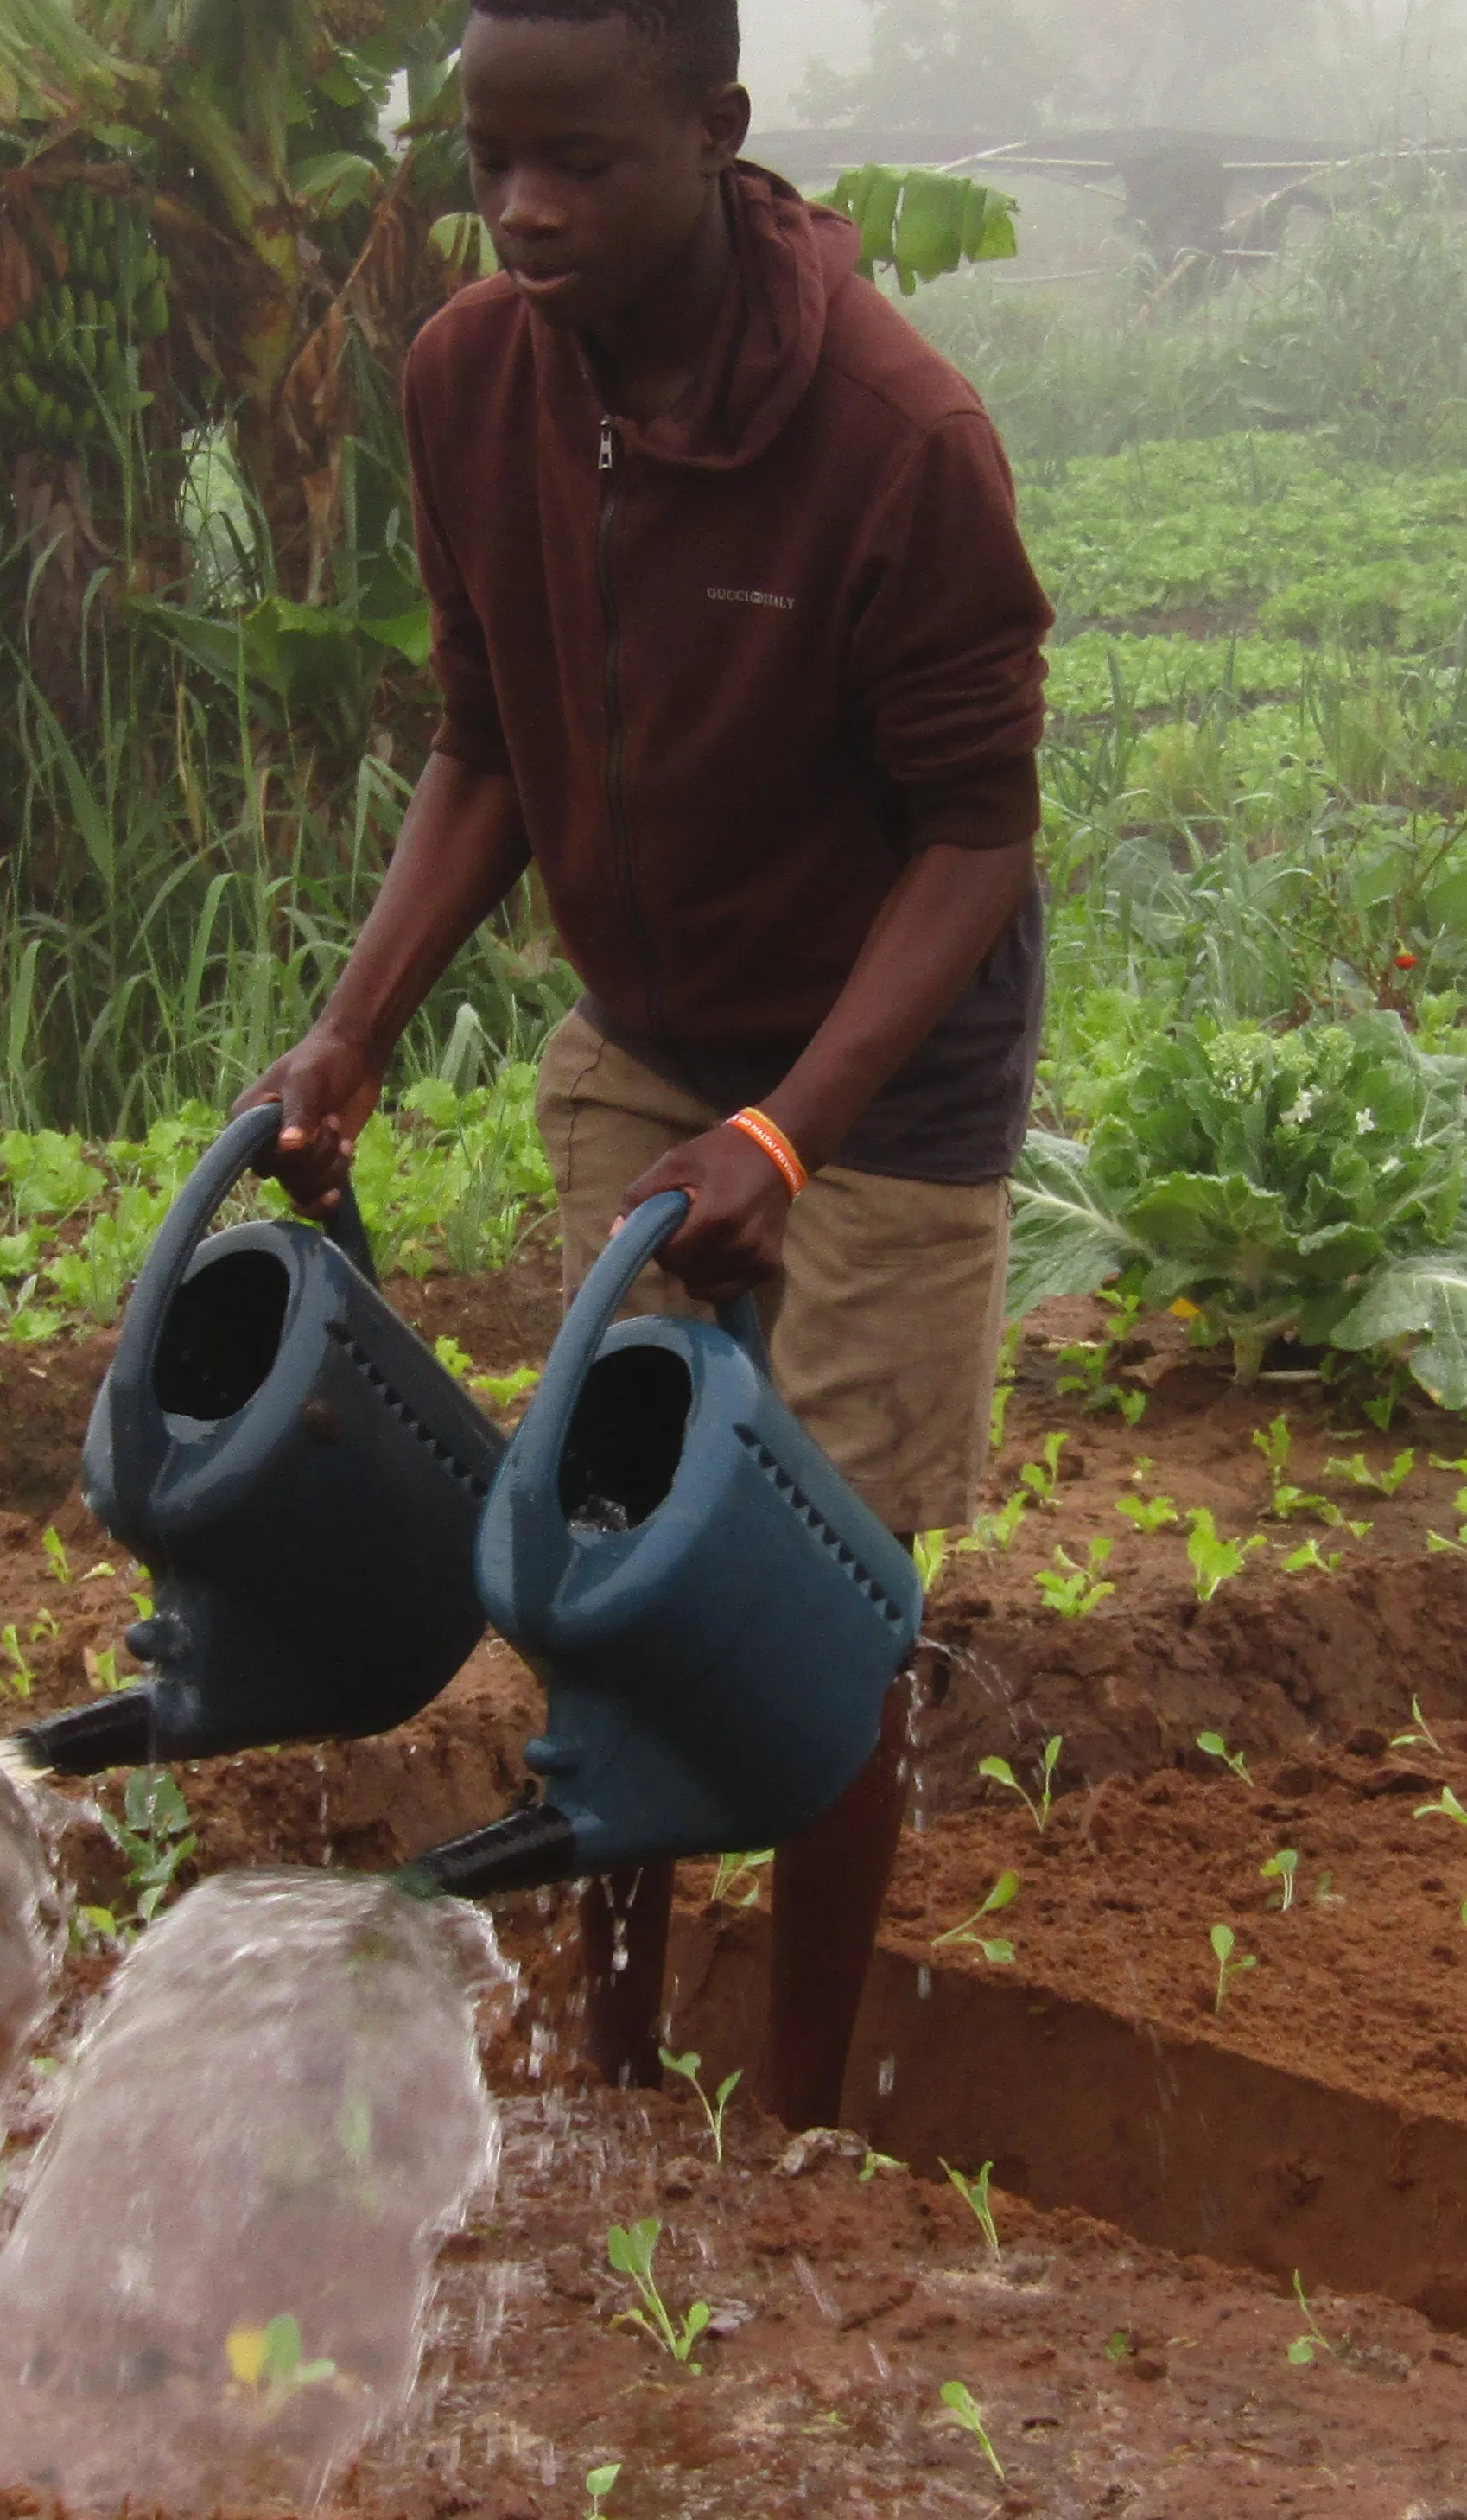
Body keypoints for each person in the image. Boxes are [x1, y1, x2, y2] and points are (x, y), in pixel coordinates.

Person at [244, 0, 1052, 2136]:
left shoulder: (897, 439)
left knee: (821, 1604)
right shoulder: (467, 383)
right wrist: (353, 1026)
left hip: (882, 1087)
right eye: (490, 158)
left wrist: (790, 1127)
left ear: (715, 135)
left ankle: (792, 2117)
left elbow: (978, 837)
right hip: (649, 1036)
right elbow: (483, 740)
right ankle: (615, 2067)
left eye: (577, 162)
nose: (520, 208)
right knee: (614, 1550)